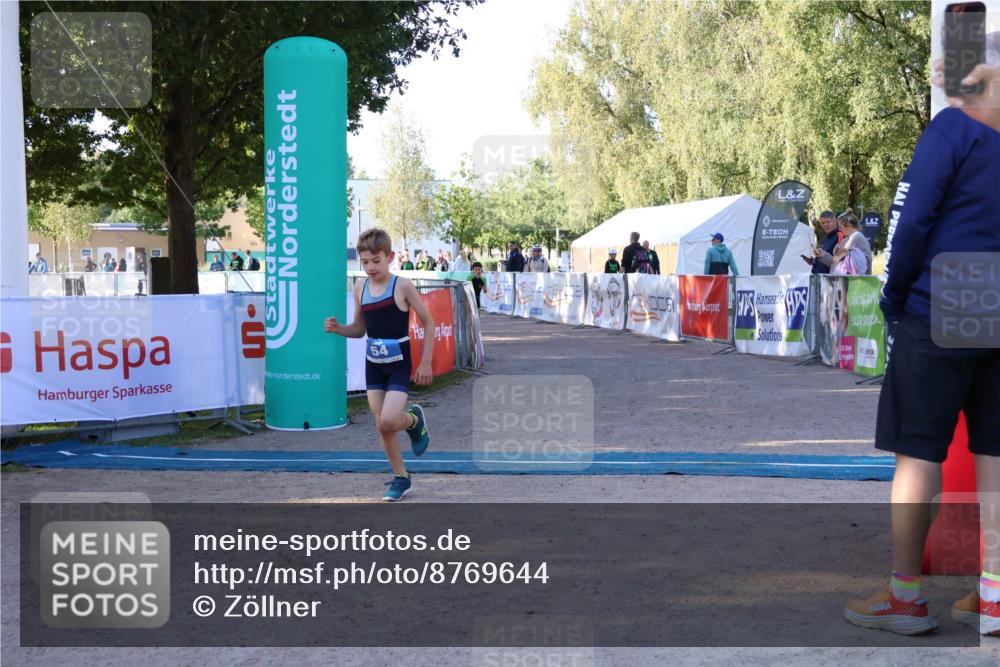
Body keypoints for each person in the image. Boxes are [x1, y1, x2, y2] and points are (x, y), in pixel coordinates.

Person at [844, 60, 1000, 636]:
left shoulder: (953, 129)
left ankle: (906, 598)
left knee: (918, 453)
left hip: (942, 304)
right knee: (996, 456)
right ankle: (996, 597)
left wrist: (893, 296)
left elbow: (909, 221)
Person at [323, 228, 434, 502]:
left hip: (399, 362)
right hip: (373, 363)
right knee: (382, 425)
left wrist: (426, 362)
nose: (370, 267)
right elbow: (360, 329)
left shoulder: (402, 286)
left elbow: (429, 322)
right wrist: (339, 329)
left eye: (376, 260)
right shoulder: (360, 288)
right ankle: (401, 478)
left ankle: (413, 420)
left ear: (390, 257)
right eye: (365, 262)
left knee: (389, 420)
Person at [813, 210, 872, 275]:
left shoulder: (859, 238)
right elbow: (835, 261)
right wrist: (822, 254)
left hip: (854, 280)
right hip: (840, 279)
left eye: (840, 227)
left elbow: (867, 261)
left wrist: (846, 254)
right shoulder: (845, 240)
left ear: (848, 225)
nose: (839, 229)